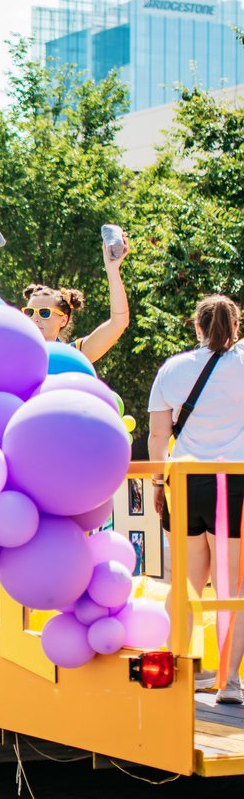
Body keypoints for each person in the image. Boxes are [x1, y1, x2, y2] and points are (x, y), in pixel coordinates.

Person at [148, 295, 244, 704]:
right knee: (232, 585)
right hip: (235, 482)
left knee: (185, 581)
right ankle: (230, 681)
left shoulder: (173, 368)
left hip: (184, 482)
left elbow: (157, 436)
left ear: (197, 327)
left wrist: (156, 483)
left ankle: (180, 664)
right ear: (235, 326)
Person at [19, 235, 131, 364]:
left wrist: (112, 270)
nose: (35, 318)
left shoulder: (74, 355)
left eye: (44, 312)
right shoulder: (10, 350)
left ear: (63, 320)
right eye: (30, 312)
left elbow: (119, 323)